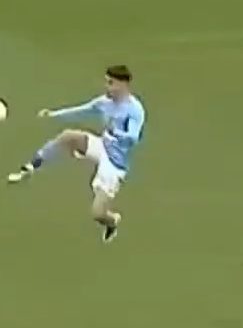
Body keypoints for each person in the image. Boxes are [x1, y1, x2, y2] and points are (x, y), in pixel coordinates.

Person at [8, 65, 146, 243]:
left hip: (114, 163)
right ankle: (31, 167)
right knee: (69, 136)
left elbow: (133, 137)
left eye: (111, 83)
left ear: (123, 84)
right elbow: (82, 110)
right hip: (102, 145)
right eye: (106, 82)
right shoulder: (104, 102)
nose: (106, 86)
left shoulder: (134, 109)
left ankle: (112, 221)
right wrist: (53, 114)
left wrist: (117, 132)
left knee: (97, 213)